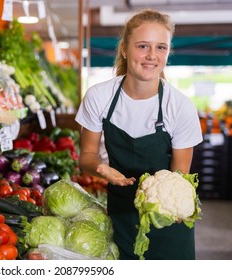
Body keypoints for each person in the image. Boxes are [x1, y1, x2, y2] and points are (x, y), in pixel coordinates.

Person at [75, 8, 203, 260]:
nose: (151, 56)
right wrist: (101, 169)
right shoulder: (99, 97)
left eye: (161, 47)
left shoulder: (179, 106)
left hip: (169, 226)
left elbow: (179, 179)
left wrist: (163, 209)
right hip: (119, 217)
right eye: (143, 46)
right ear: (124, 48)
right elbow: (86, 157)